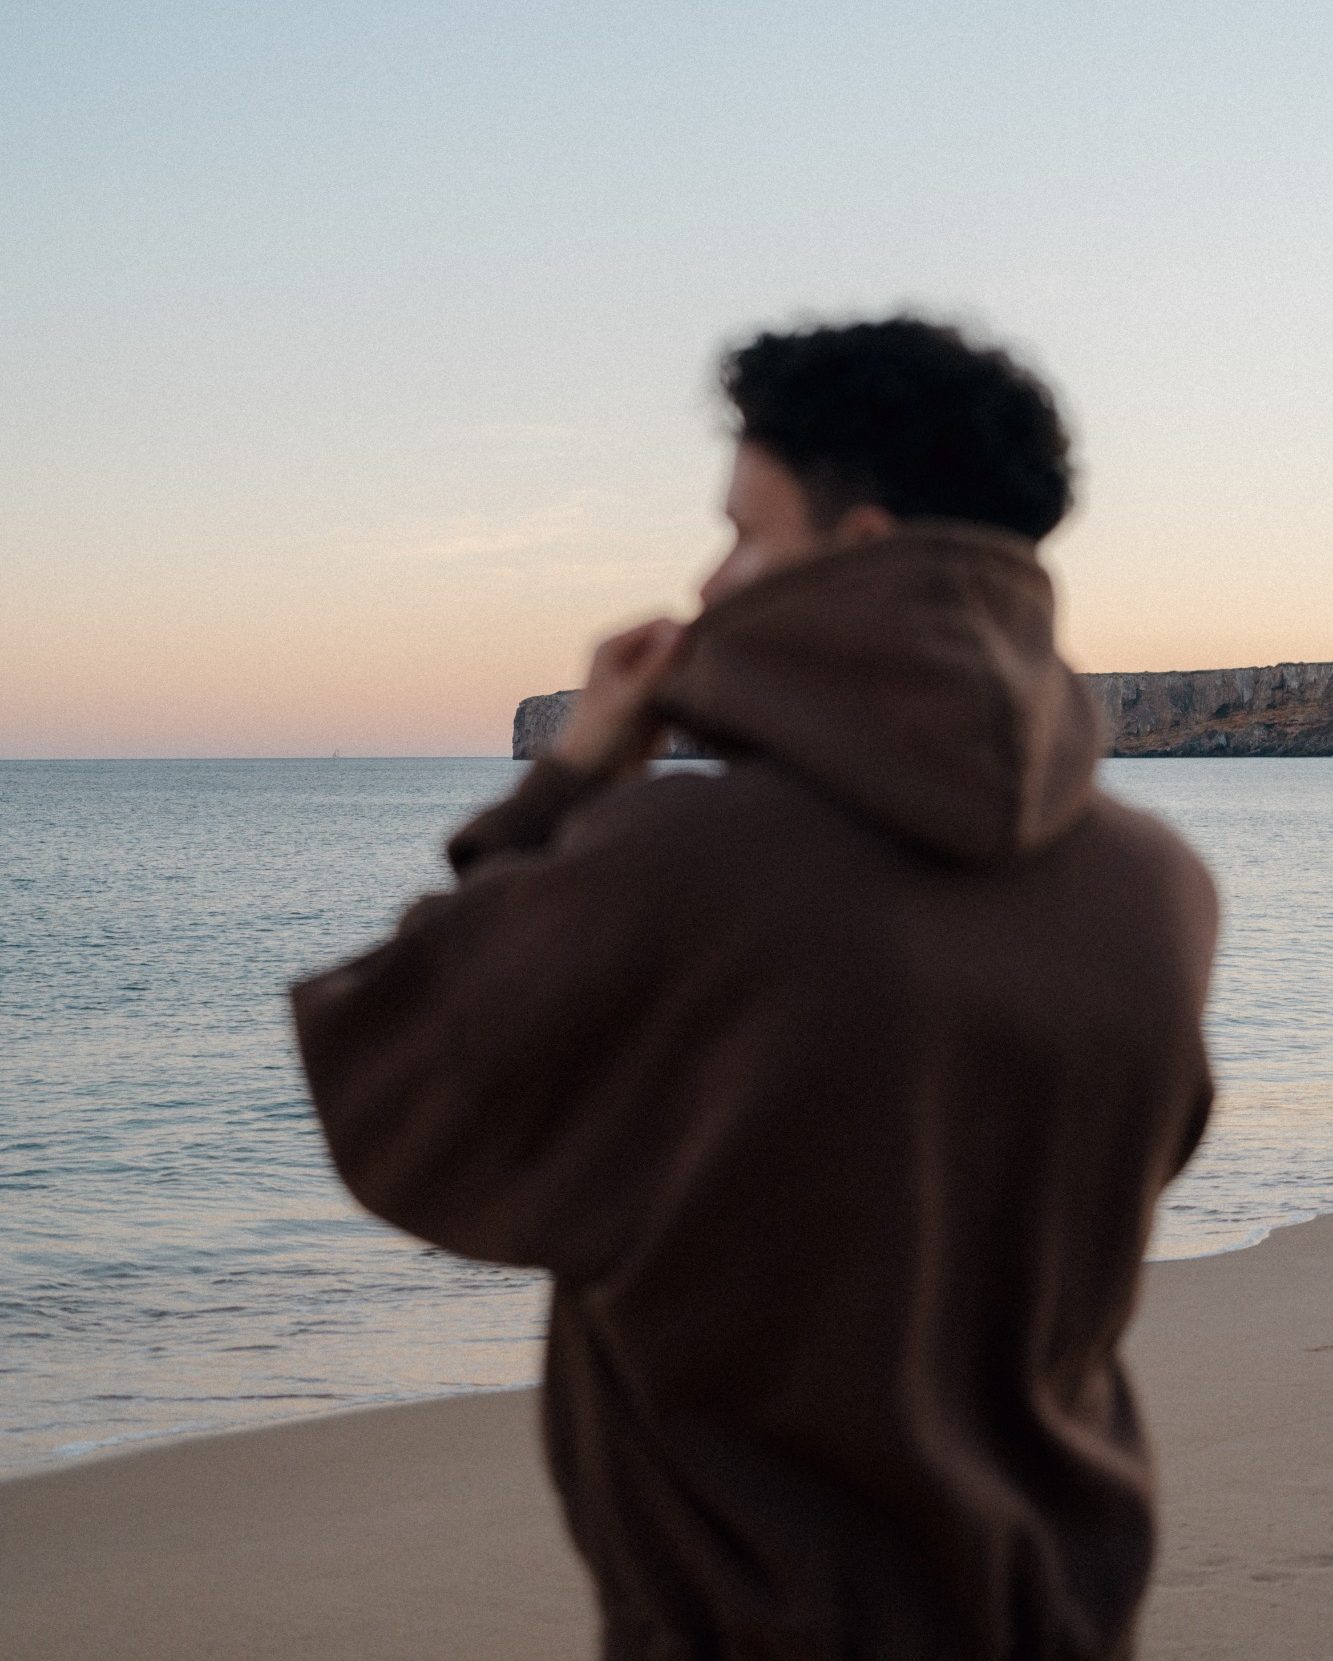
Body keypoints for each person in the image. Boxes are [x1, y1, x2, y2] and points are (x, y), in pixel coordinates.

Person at [290, 315, 1219, 1660]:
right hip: (1059, 1612)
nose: (712, 585)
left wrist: (567, 788)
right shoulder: (1158, 883)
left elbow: (393, 1083)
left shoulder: (678, 860)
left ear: (853, 551)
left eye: (741, 531)